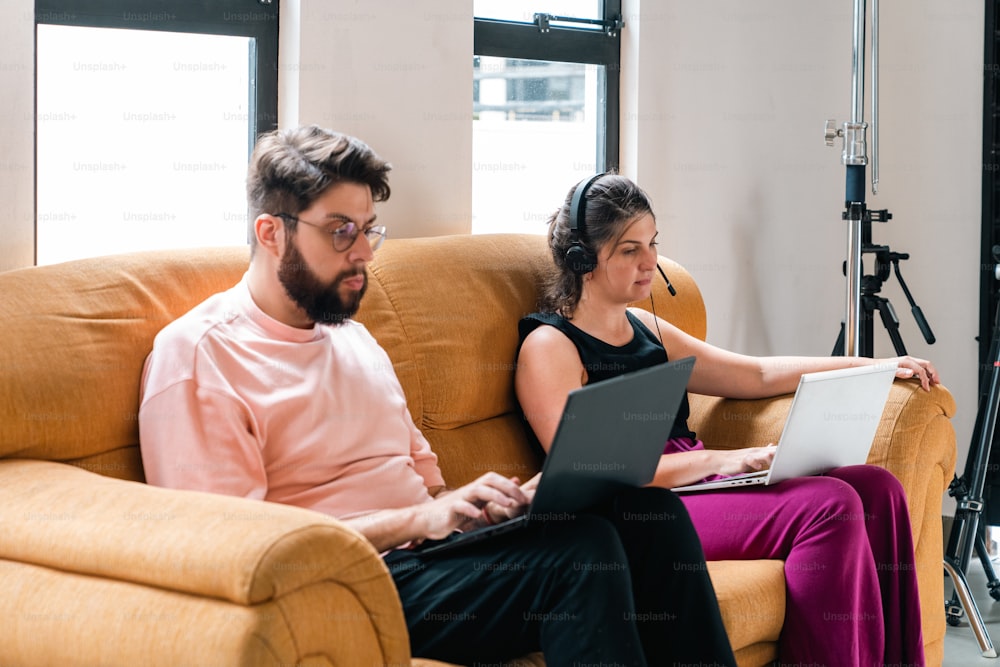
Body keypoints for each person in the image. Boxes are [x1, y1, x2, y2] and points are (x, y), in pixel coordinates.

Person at [137, 126, 737, 667]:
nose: (366, 252)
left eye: (369, 229)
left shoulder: (355, 339)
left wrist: (488, 504)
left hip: (430, 552)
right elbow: (237, 546)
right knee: (580, 556)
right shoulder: (200, 357)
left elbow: (426, 488)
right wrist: (418, 519)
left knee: (647, 516)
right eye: (342, 232)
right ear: (271, 233)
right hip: (348, 580)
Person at [514, 172, 936, 667]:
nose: (650, 262)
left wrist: (872, 367)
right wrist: (723, 460)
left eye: (652, 244)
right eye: (630, 250)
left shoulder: (646, 326)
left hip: (698, 480)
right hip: (643, 506)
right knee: (833, 505)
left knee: (877, 490)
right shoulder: (549, 346)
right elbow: (590, 469)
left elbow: (754, 374)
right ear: (582, 257)